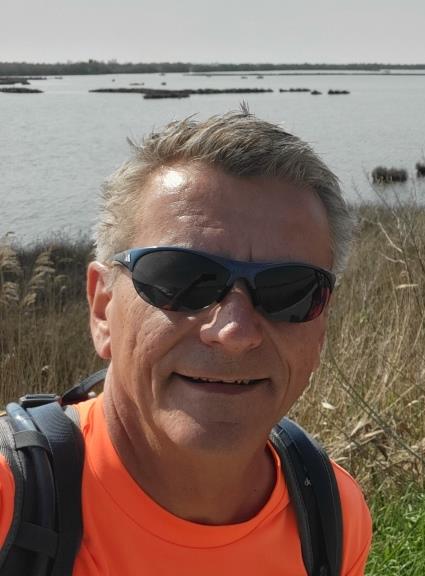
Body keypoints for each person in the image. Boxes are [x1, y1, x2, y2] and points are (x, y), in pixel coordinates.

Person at [0, 109, 371, 574]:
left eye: (290, 291)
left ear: (322, 325)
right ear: (102, 308)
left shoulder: (332, 517)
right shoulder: (10, 504)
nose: (234, 332)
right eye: (181, 279)